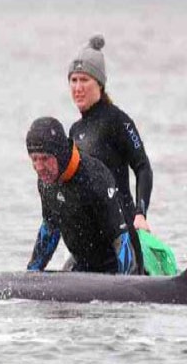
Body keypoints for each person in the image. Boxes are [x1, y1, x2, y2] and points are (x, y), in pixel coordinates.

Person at [25, 116, 140, 275]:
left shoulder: (94, 178)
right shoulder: (46, 181)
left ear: (60, 153)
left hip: (117, 270)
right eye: (34, 159)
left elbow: (121, 241)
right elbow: (51, 228)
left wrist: (125, 286)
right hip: (83, 268)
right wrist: (32, 273)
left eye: (45, 158)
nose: (39, 167)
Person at [67, 34, 153, 234]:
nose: (78, 87)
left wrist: (141, 214)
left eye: (84, 80)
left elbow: (143, 168)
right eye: (73, 80)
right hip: (93, 234)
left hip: (124, 229)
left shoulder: (118, 120)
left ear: (100, 84)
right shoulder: (74, 130)